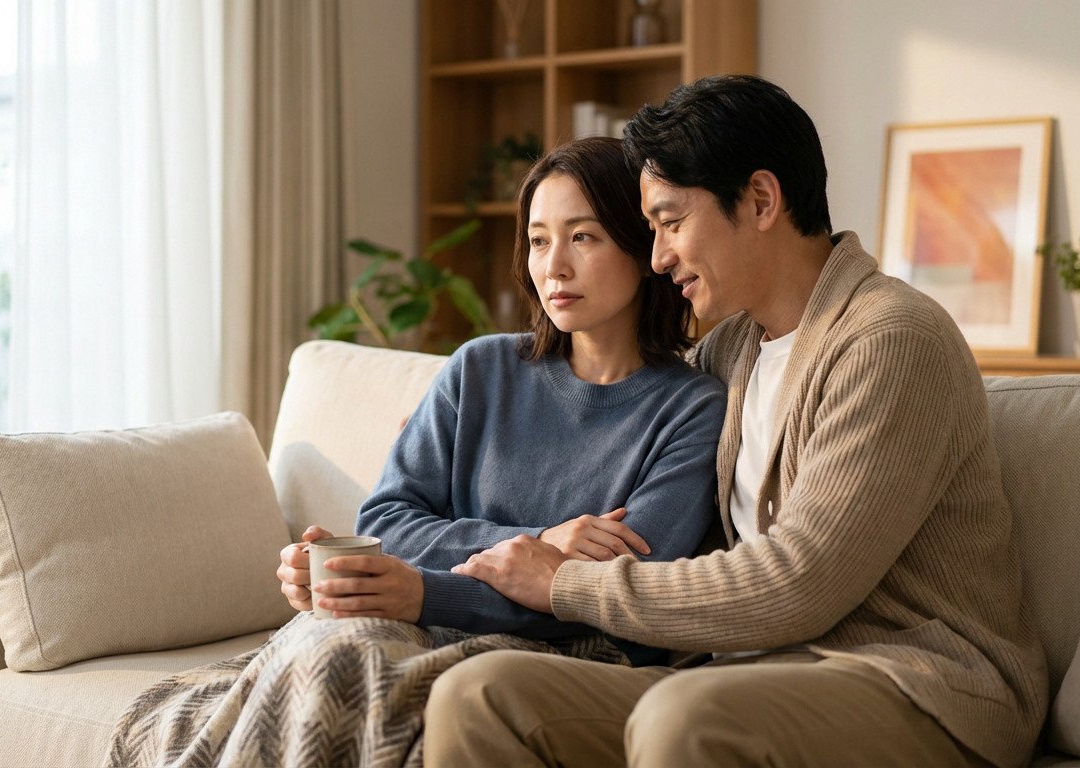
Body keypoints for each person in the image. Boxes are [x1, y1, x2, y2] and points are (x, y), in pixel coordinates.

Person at [433, 75, 1048, 768]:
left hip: (915, 682)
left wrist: (564, 584)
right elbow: (629, 451)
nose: (658, 256)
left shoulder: (891, 340)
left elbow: (799, 583)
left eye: (670, 222)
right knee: (480, 694)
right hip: (745, 673)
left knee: (684, 719)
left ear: (760, 200)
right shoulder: (731, 350)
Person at [275, 135, 727, 663]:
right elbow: (384, 523)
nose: (553, 266)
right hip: (424, 623)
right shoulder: (479, 369)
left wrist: (426, 591)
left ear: (642, 246)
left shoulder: (692, 409)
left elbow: (621, 593)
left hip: (571, 657)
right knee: (315, 653)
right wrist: (541, 542)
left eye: (582, 236)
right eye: (538, 241)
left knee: (344, 660)